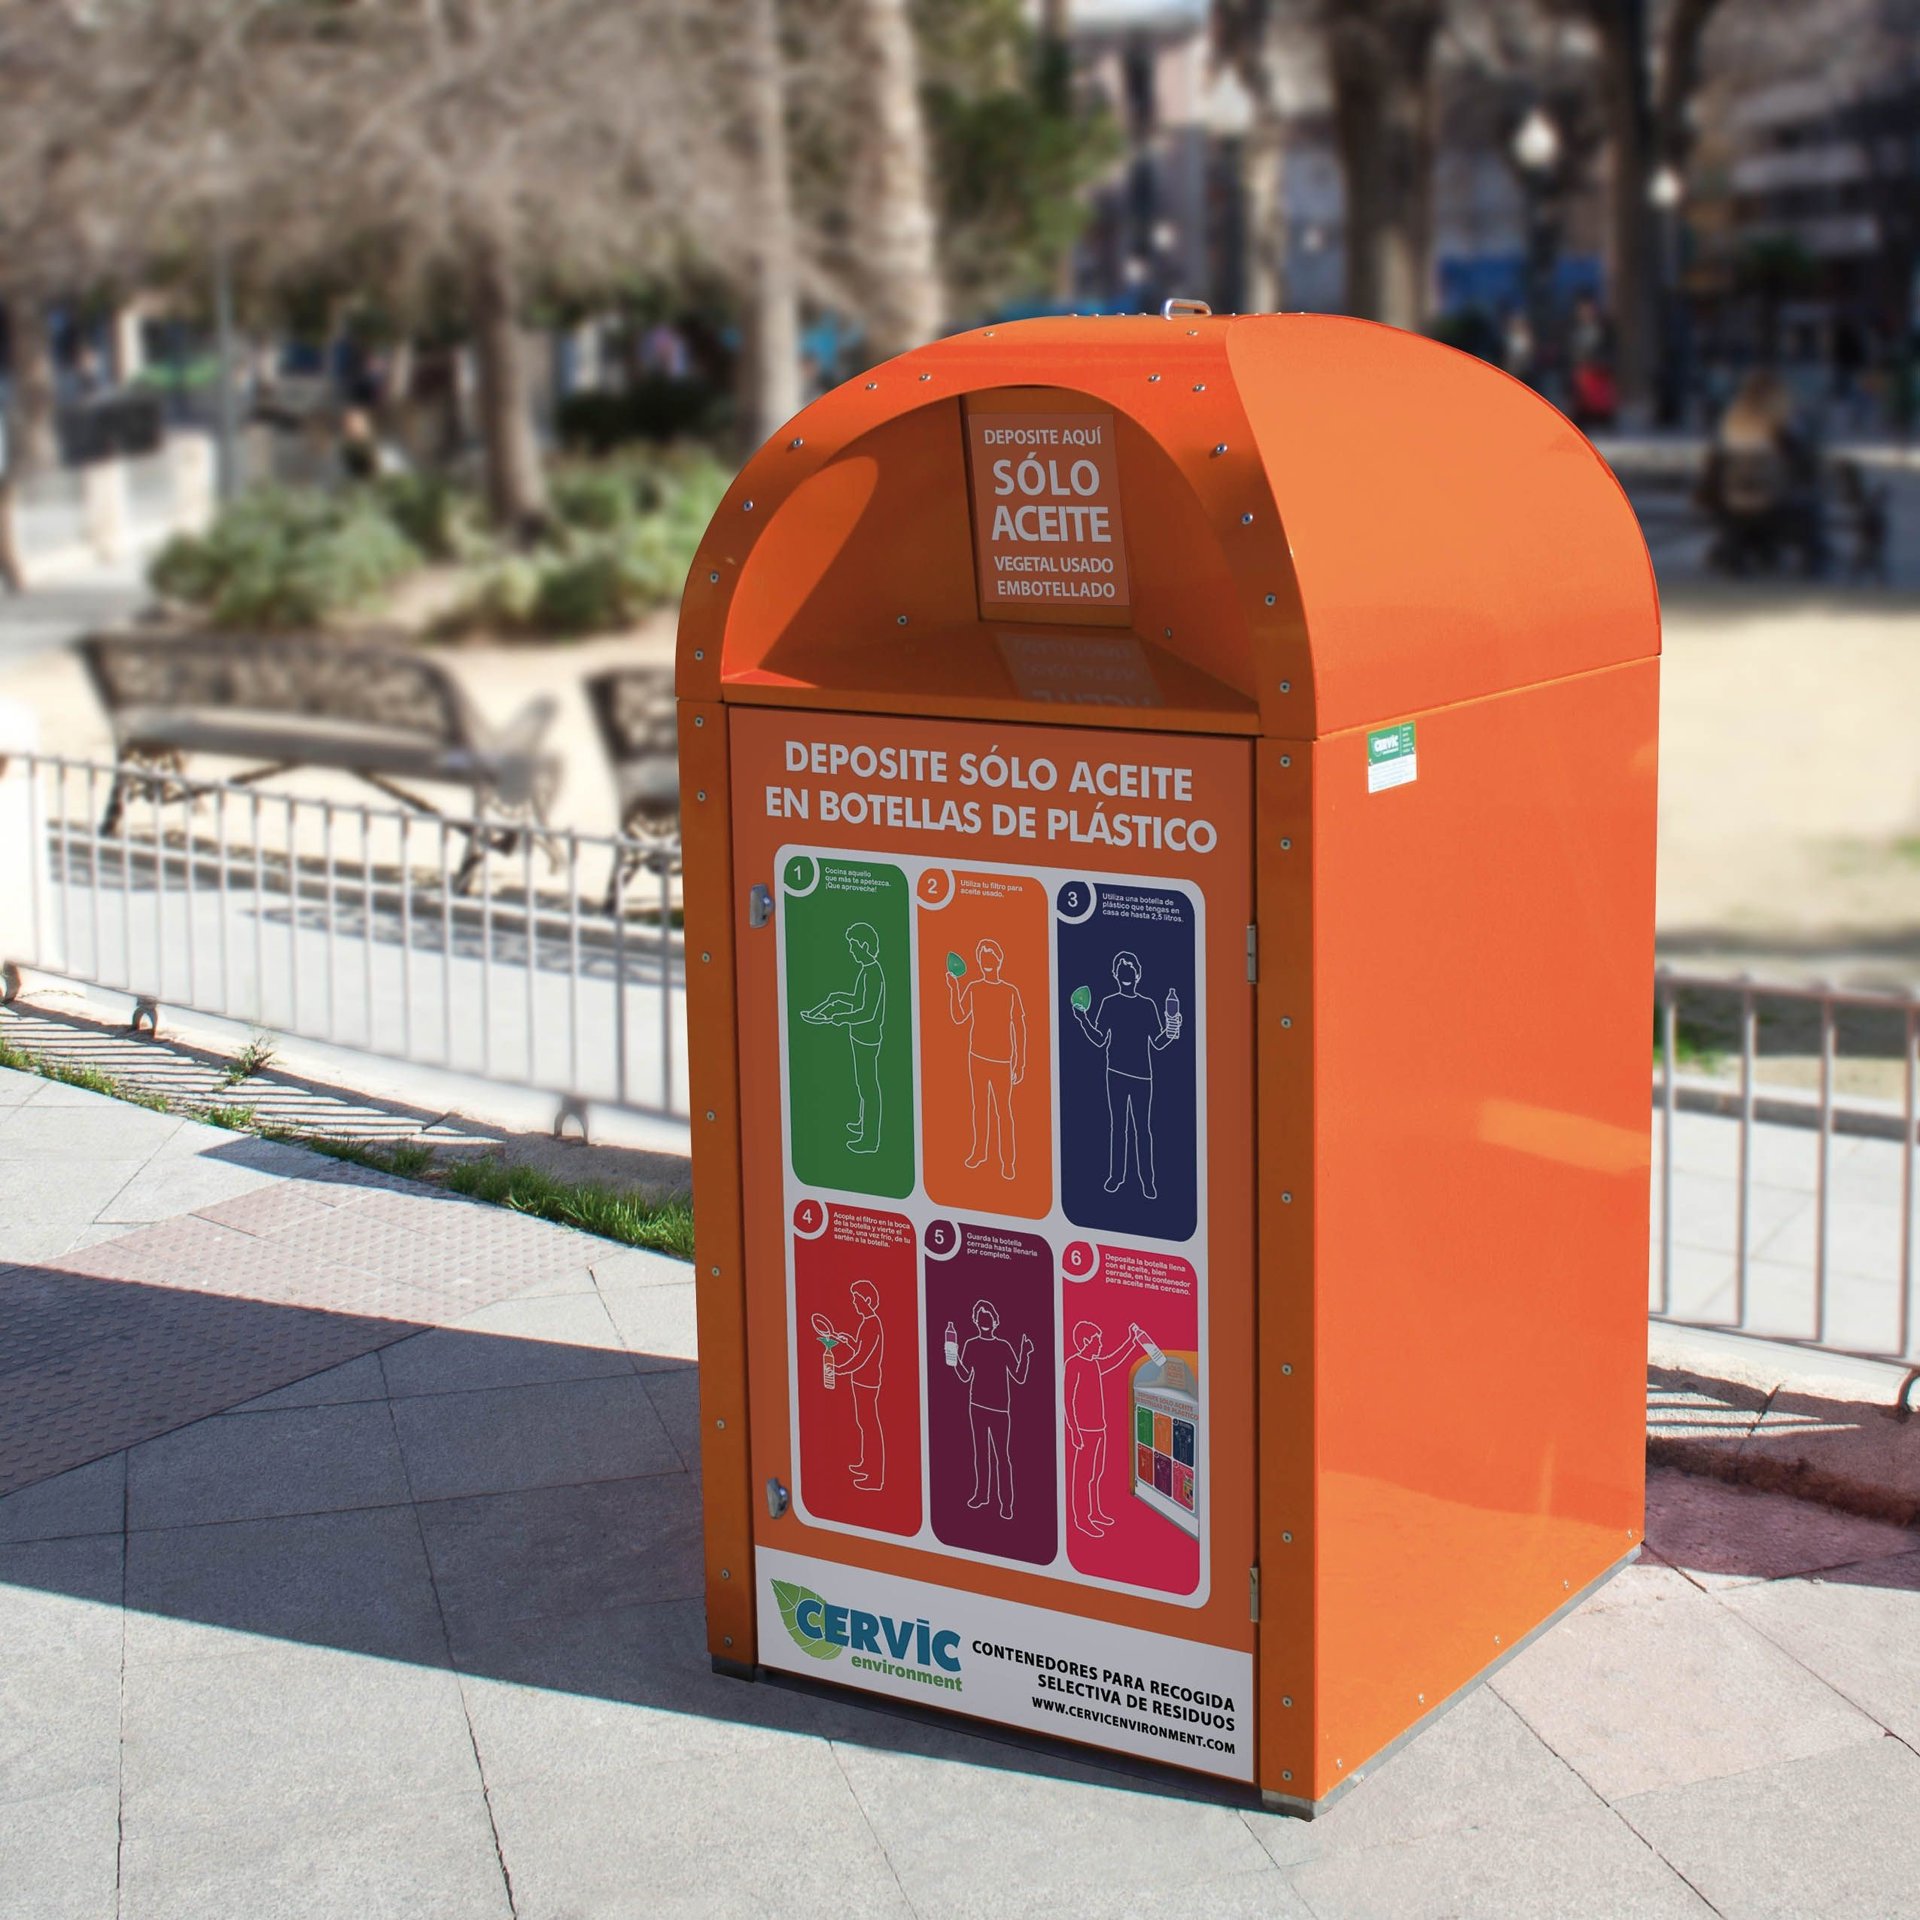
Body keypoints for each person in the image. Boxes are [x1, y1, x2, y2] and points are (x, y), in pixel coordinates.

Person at [1072, 951, 1181, 1200]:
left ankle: (1147, 1181)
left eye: (1130, 970)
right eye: (1122, 970)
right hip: (1116, 1074)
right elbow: (1100, 1040)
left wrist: (1173, 1028)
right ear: (1115, 974)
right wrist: (1084, 1020)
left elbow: (1158, 1043)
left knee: (1143, 1129)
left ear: (1138, 974)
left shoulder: (1147, 1005)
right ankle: (1116, 1177)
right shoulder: (1109, 1003)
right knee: (1118, 1127)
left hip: (1142, 1077)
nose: (1126, 974)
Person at [802, 922, 888, 1154]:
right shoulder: (866, 970)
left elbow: (868, 1013)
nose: (851, 950)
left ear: (865, 946)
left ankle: (870, 1139)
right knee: (862, 1083)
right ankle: (862, 1123)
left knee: (868, 1086)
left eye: (853, 945)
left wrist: (838, 1017)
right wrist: (838, 997)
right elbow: (859, 1001)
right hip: (859, 1036)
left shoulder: (873, 973)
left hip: (867, 1037)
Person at [947, 937, 1026, 1178]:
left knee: (1004, 1112)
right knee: (979, 1108)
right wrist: (954, 988)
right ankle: (979, 1152)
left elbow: (1019, 1027)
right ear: (979, 962)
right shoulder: (973, 987)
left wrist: (1020, 1062)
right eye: (983, 958)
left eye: (991, 957)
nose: (987, 962)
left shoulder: (1010, 991)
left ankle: (1008, 1162)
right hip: (977, 1057)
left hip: (1002, 1061)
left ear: (999, 960)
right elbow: (959, 1017)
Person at [1064, 1320, 1145, 1538]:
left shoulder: (1095, 1364)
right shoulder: (1074, 1364)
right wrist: (1074, 1430)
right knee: (1083, 1475)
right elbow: (1067, 1400)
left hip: (1100, 1428)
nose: (1100, 1344)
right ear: (1085, 1341)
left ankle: (1095, 1512)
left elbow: (1113, 1360)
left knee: (1096, 1473)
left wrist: (1130, 1341)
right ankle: (1082, 1519)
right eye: (1097, 1340)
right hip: (1085, 1431)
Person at [953, 1300, 1032, 1520]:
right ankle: (981, 1495)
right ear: (976, 1322)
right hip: (977, 1406)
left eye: (988, 1317)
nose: (985, 1321)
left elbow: (1019, 1377)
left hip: (1000, 1410)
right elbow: (964, 1376)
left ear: (995, 1321)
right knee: (981, 1454)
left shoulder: (1003, 1346)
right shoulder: (971, 1345)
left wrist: (1025, 1353)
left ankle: (1006, 1503)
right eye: (981, 1318)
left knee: (1002, 1457)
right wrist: (954, 1356)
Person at [827, 1279, 886, 1491]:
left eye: (856, 1298)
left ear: (867, 1300)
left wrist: (838, 1369)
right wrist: (848, 1341)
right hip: (860, 1380)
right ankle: (866, 1464)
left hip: (868, 1382)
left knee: (870, 1425)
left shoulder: (872, 1325)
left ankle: (875, 1477)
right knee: (864, 1423)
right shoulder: (866, 1324)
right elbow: (861, 1351)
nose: (853, 1302)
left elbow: (862, 1358)